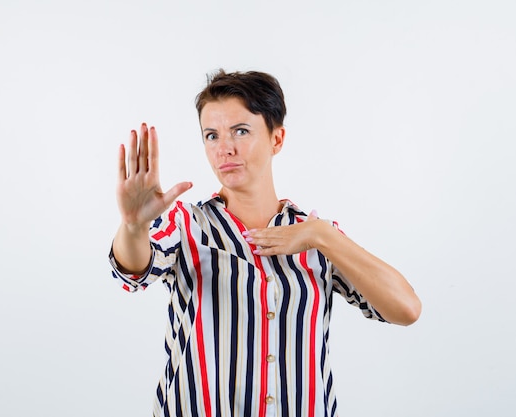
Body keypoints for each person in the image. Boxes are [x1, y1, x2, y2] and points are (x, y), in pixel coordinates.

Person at [109, 69, 421, 417]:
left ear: (277, 139)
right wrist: (134, 226)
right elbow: (133, 272)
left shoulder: (318, 236)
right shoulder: (186, 224)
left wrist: (322, 235)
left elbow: (406, 310)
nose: (224, 148)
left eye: (241, 131)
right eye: (211, 136)